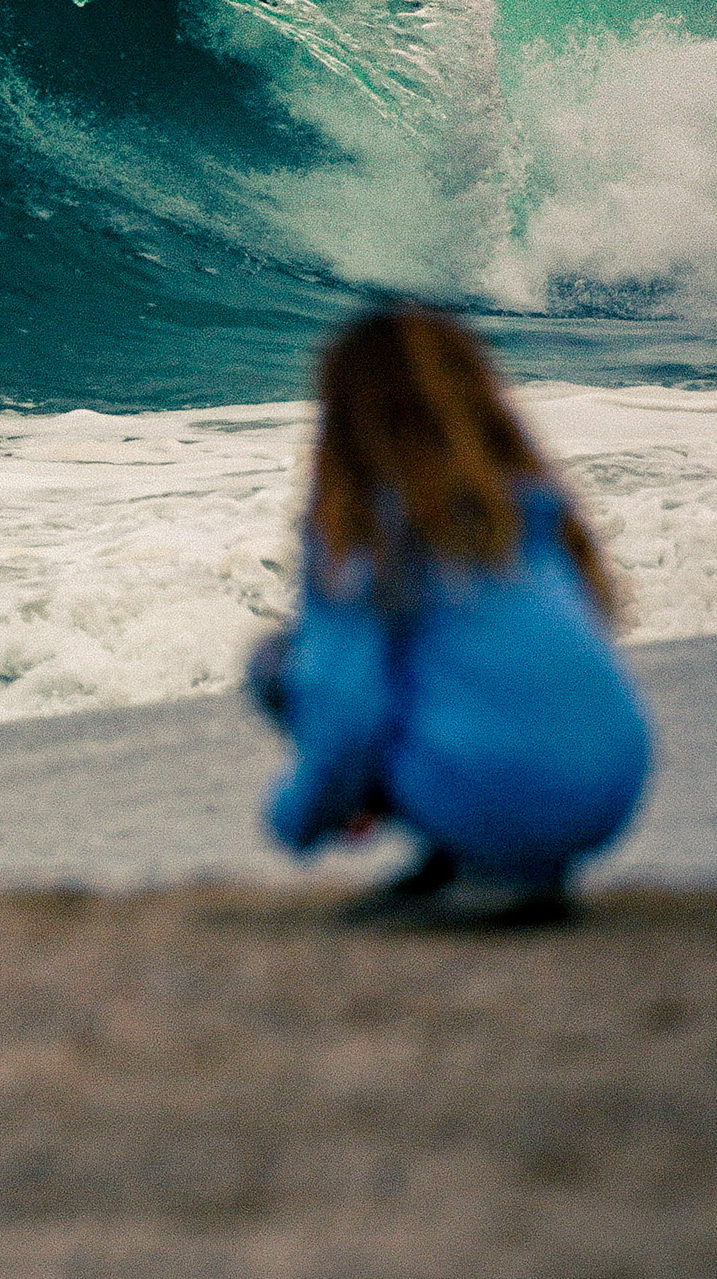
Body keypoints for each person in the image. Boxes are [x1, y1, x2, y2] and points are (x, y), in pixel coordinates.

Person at [246, 304, 651, 927]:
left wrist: (298, 818)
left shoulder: (368, 534)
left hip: (498, 794)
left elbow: (346, 704)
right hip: (614, 788)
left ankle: (477, 856)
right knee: (452, 676)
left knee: (276, 664)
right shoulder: (533, 509)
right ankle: (495, 862)